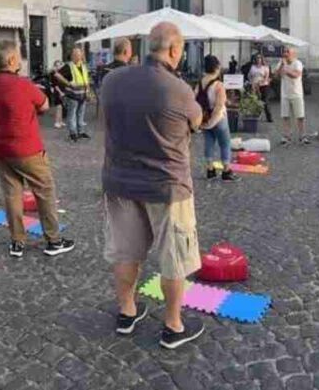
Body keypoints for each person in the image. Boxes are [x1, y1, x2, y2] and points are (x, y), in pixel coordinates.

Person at [100, 22, 206, 350]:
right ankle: (173, 326)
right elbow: (197, 121)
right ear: (174, 50)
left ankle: (126, 312)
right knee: (174, 257)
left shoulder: (111, 81)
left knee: (125, 251)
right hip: (166, 185)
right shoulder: (177, 88)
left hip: (119, 181)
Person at [0, 41, 74, 258]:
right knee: (44, 190)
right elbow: (44, 104)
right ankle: (53, 240)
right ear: (11, 60)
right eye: (18, 55)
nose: (20, 59)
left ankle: (17, 242)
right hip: (25, 148)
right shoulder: (22, 84)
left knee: (12, 194)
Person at [197, 55, 239, 183]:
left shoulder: (200, 83)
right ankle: (226, 171)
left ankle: (210, 170)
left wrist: (204, 121)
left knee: (208, 143)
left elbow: (194, 100)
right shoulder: (219, 85)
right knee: (225, 144)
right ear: (216, 67)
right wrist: (213, 120)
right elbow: (219, 105)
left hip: (204, 118)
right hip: (219, 119)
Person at [55, 46, 91, 142]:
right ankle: (73, 133)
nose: (78, 56)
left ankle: (81, 132)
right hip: (73, 95)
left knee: (80, 115)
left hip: (82, 95)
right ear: (72, 56)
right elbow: (57, 74)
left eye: (79, 54)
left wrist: (88, 91)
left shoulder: (83, 66)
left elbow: (86, 80)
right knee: (72, 115)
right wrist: (68, 83)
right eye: (75, 55)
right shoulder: (69, 66)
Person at [276, 46, 309, 145]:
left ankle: (302, 136)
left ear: (293, 54)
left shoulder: (298, 63)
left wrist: (285, 70)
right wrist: (281, 66)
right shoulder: (281, 63)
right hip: (285, 94)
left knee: (300, 116)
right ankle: (286, 136)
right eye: (284, 52)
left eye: (287, 52)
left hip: (297, 94)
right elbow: (276, 75)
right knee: (285, 116)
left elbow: (295, 75)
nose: (285, 53)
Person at [248, 54, 273, 123]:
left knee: (265, 101)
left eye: (260, 58)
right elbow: (249, 75)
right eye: (257, 58)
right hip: (254, 85)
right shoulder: (252, 67)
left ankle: (269, 117)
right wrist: (251, 82)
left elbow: (267, 77)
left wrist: (261, 82)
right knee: (255, 101)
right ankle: (256, 116)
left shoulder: (265, 67)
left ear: (262, 59)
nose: (258, 59)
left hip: (264, 85)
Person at [50, 60, 66, 129]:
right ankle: (56, 122)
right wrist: (60, 92)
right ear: (55, 66)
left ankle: (60, 121)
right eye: (57, 65)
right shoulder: (53, 74)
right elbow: (55, 85)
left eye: (59, 65)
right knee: (58, 107)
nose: (58, 66)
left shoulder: (60, 73)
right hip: (57, 92)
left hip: (62, 91)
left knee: (61, 107)